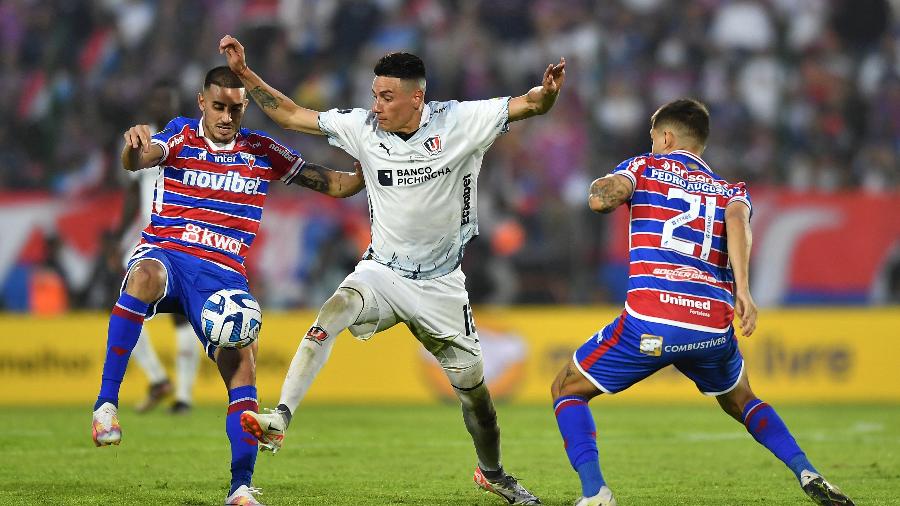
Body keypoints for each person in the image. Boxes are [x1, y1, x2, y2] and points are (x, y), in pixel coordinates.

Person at [219, 34, 565, 505]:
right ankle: (280, 417)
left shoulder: (461, 121)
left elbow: (527, 106)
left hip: (443, 283)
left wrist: (546, 94)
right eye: (374, 95)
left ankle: (494, 472)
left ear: (416, 97)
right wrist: (243, 74)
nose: (376, 106)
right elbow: (289, 113)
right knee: (334, 309)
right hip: (382, 271)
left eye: (386, 97)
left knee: (477, 400)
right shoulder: (362, 128)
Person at [549, 99, 854, 506]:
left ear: (667, 137)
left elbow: (601, 199)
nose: (652, 143)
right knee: (743, 399)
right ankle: (806, 470)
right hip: (713, 324)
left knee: (566, 388)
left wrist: (605, 186)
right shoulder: (730, 189)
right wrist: (743, 290)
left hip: (652, 318)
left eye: (654, 137)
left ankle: (595, 492)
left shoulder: (644, 167)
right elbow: (738, 223)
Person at [91, 66, 364, 506]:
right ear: (203, 102)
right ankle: (106, 404)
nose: (226, 116)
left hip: (222, 277)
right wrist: (132, 148)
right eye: (218, 106)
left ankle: (240, 487)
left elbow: (333, 183)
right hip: (169, 254)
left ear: (244, 107)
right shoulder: (180, 134)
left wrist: (369, 167)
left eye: (235, 108)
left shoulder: (261, 150)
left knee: (242, 370)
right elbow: (138, 160)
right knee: (142, 277)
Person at [112, 79, 200, 415]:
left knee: (180, 315)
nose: (160, 105)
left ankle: (183, 396)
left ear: (177, 104)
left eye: (167, 100)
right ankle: (159, 379)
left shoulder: (190, 139)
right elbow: (133, 194)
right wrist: (117, 235)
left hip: (181, 235)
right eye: (156, 100)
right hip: (149, 236)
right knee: (126, 304)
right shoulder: (143, 140)